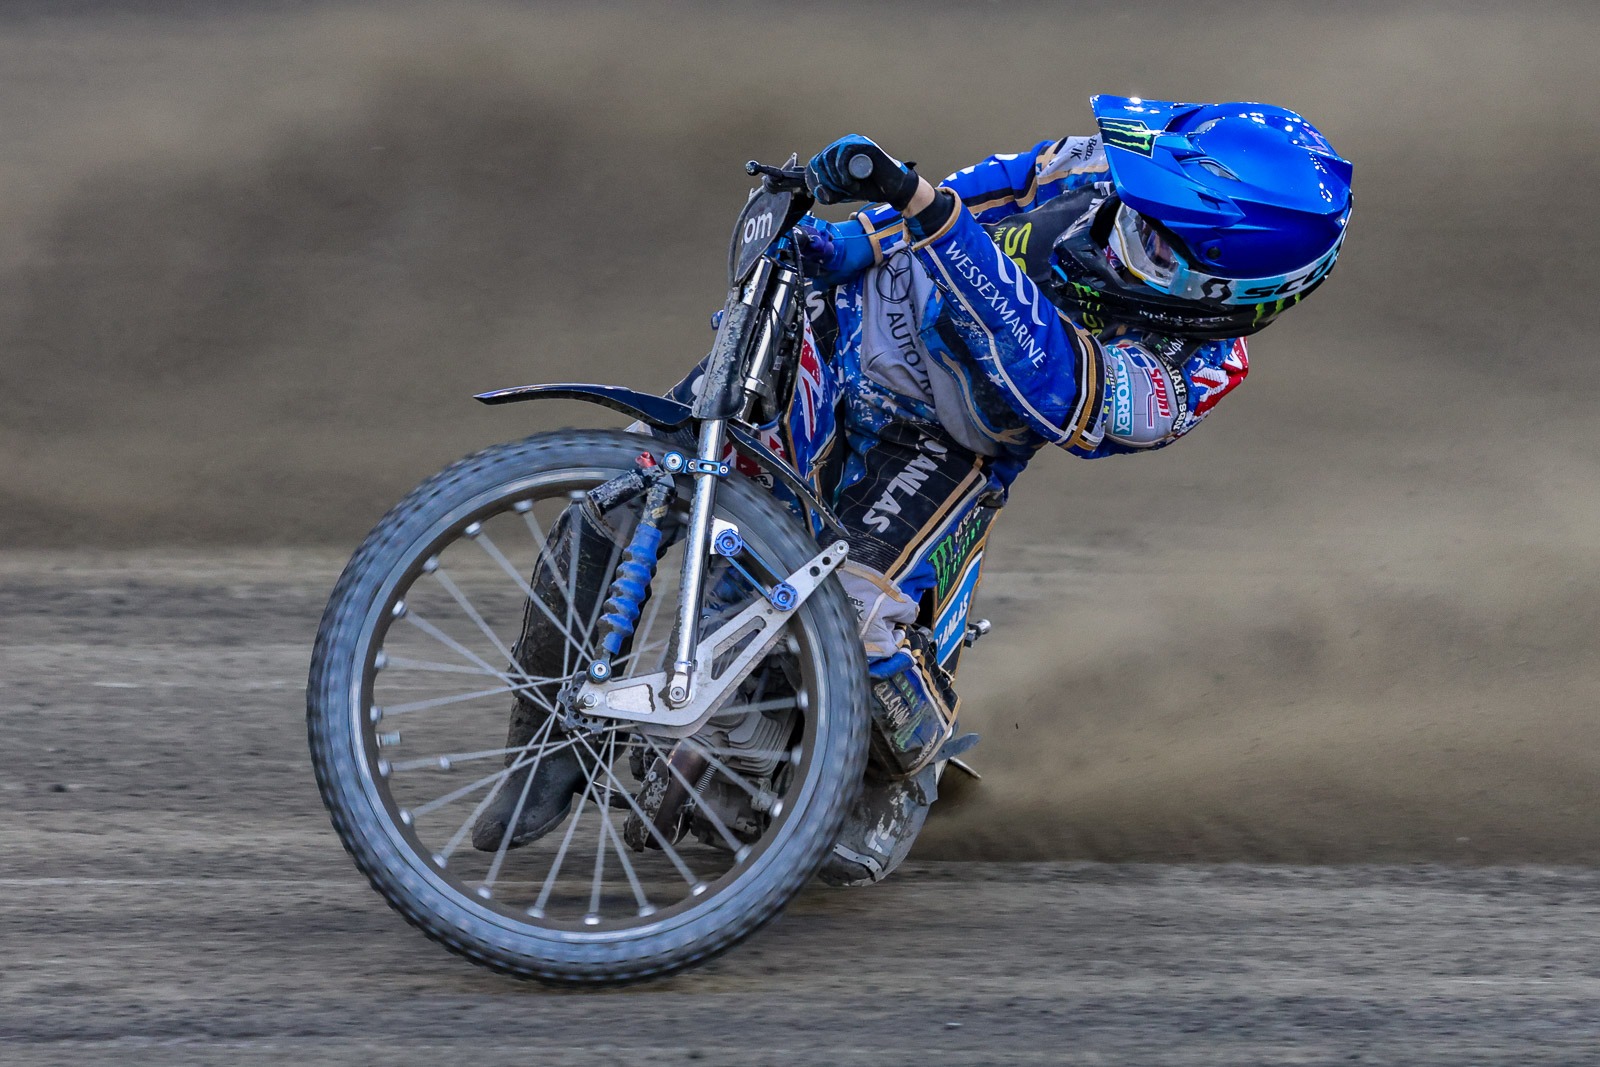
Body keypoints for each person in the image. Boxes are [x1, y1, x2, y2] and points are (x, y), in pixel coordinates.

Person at [473, 96, 1353, 887]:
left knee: (849, 615)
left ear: (1226, 294)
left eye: (1157, 244)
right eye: (1134, 203)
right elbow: (1011, 183)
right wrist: (861, 237)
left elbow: (1050, 378)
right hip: (842, 322)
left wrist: (924, 212)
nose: (1123, 228)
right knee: (629, 484)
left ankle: (904, 759)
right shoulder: (1128, 166)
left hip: (946, 443)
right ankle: (540, 752)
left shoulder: (1184, 377)